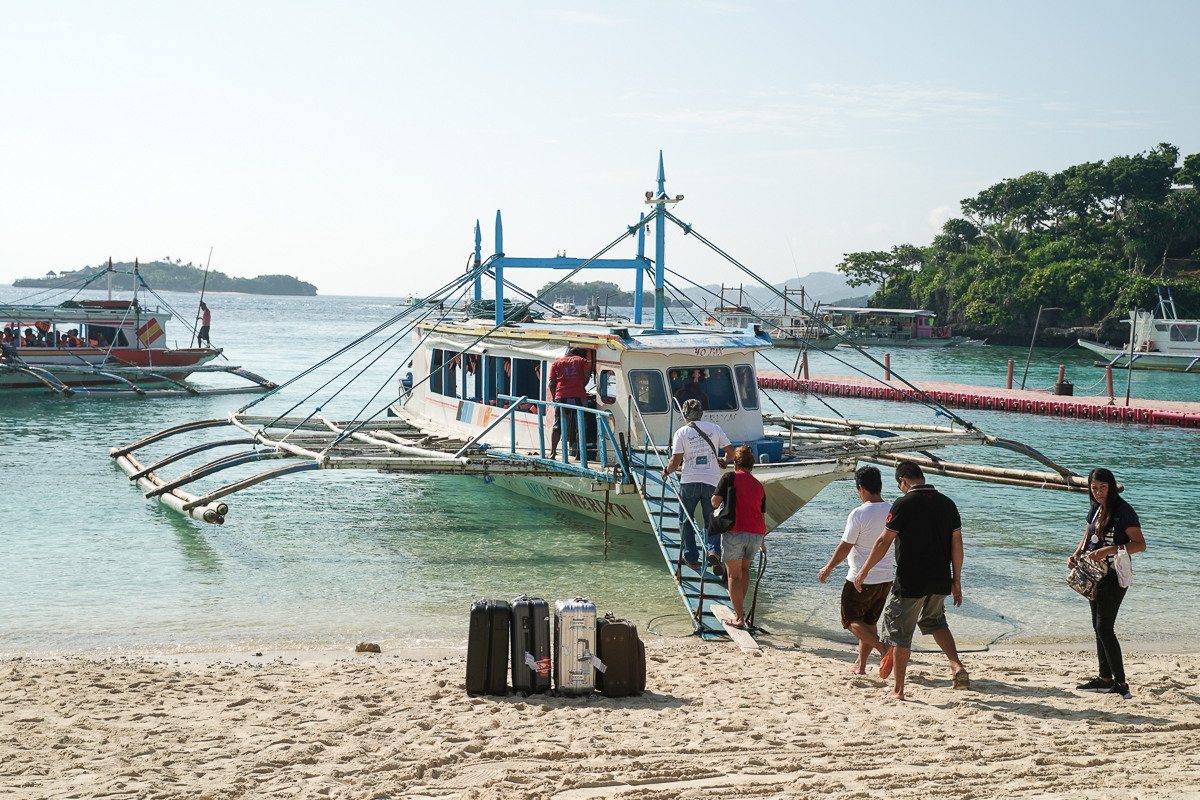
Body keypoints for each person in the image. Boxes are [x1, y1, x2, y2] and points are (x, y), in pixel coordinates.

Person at [855, 461, 968, 700]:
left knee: (899, 632)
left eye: (900, 485)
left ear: (903, 480)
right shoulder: (948, 504)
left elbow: (883, 541)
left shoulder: (903, 504)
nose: (901, 489)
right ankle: (956, 666)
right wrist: (956, 580)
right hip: (940, 579)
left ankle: (898, 690)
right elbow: (957, 544)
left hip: (910, 581)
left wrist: (864, 569)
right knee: (936, 621)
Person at [1069, 468, 1146, 699]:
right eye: (1094, 488)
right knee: (1097, 626)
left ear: (1111, 487)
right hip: (1093, 575)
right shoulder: (1095, 509)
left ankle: (1121, 684)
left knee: (1104, 627)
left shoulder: (1124, 511)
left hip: (1114, 577)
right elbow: (1087, 536)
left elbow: (1139, 544)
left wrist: (1111, 549)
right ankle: (1104, 680)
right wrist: (1075, 554)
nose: (1098, 492)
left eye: (1102, 487)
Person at [818, 466, 894, 675]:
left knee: (850, 620)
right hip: (886, 578)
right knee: (868, 623)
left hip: (861, 578)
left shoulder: (858, 513)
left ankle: (884, 648)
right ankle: (860, 666)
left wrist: (828, 567)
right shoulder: (893, 509)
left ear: (861, 488)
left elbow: (845, 546)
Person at [661, 398, 735, 571]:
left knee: (685, 520)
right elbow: (731, 452)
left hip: (689, 483)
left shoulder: (681, 433)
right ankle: (714, 552)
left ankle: (692, 559)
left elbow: (675, 462)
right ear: (701, 413)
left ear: (685, 414)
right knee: (713, 519)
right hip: (712, 483)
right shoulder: (715, 429)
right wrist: (724, 460)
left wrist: (666, 472)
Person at [710, 446, 766, 627]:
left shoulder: (729, 477)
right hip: (756, 534)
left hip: (735, 531)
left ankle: (739, 618)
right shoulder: (759, 485)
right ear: (752, 465)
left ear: (735, 463)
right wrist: (762, 541)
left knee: (733, 575)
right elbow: (761, 514)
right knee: (744, 571)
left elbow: (714, 502)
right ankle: (740, 613)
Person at [547, 347, 591, 460]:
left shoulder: (556, 363)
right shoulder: (582, 361)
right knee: (580, 426)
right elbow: (587, 375)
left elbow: (551, 383)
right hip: (578, 396)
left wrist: (553, 397)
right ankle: (579, 455)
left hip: (561, 397)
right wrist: (582, 386)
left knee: (558, 425)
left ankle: (552, 453)